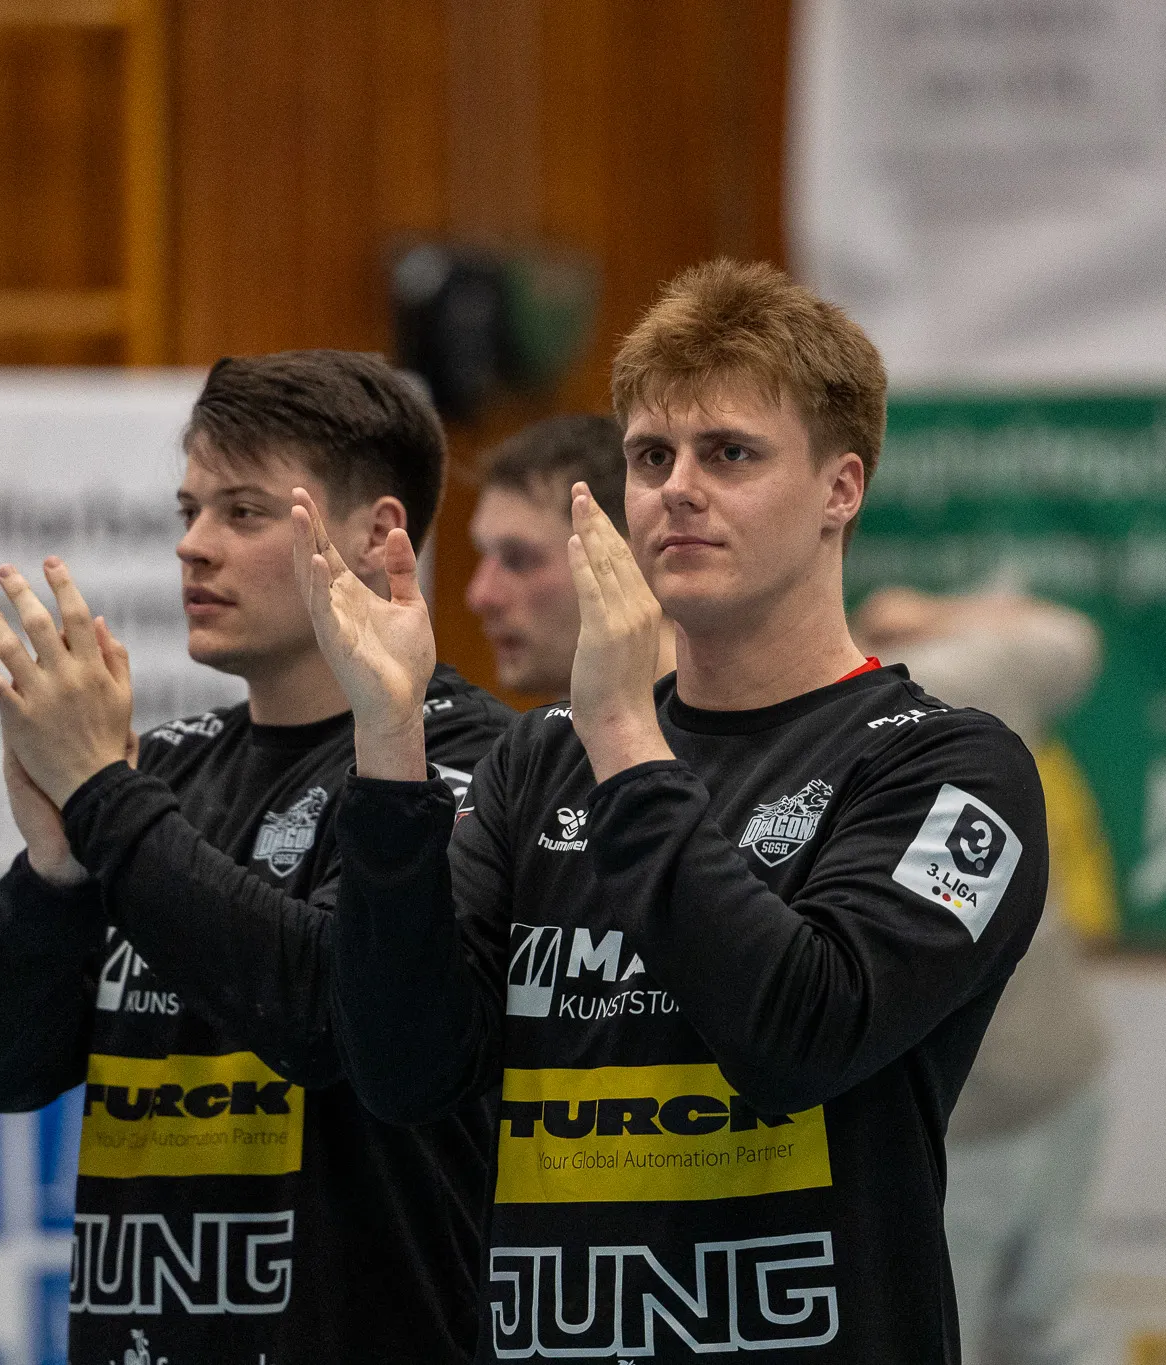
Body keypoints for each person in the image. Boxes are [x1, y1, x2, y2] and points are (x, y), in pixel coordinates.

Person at [295, 260, 1051, 1361]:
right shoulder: (536, 761)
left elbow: (797, 1035)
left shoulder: (949, 766)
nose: (675, 489)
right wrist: (389, 740)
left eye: (729, 454)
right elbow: (405, 1072)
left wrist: (621, 735)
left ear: (840, 489)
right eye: (651, 456)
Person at [0, 350, 515, 1365]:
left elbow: (322, 1013)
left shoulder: (474, 763)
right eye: (188, 510)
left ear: (377, 535)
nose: (193, 548)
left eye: (243, 514)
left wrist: (105, 803)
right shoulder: (166, 767)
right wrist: (55, 875)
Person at [855, 585, 1107, 1365]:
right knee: (1045, 1333)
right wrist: (945, 610)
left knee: (978, 1338)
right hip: (1020, 1094)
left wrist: (930, 620)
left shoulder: (948, 678)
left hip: (985, 1111)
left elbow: (1074, 641)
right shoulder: (966, 665)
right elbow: (1072, 637)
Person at [466, 414, 675, 696]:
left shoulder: (724, 736)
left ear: (626, 560)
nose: (480, 596)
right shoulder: (548, 735)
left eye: (517, 560)